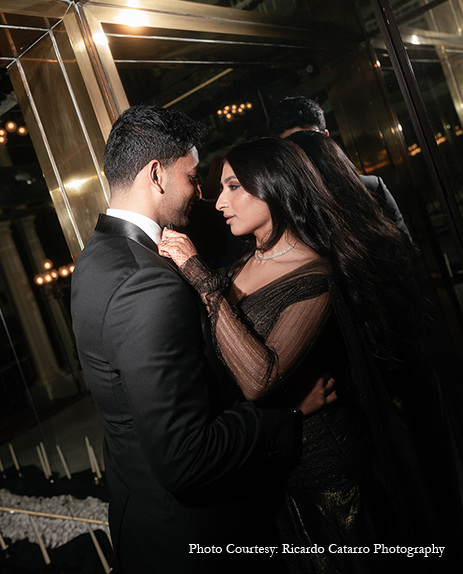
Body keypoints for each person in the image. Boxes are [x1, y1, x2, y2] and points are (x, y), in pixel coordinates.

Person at [160, 136, 462, 573]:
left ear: (273, 185)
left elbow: (259, 378)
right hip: (273, 470)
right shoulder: (244, 263)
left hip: (329, 483)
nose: (220, 201)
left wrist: (201, 278)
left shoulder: (314, 273)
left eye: (233, 187)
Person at [70, 105, 335, 574]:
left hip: (144, 520)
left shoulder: (95, 258)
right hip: (196, 538)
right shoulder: (146, 281)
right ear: (156, 175)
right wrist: (288, 414)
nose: (201, 192)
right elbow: (186, 456)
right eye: (192, 177)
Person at [270, 95, 411, 237]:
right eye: (295, 146)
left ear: (326, 137)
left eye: (312, 139)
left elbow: (405, 244)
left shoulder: (371, 187)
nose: (306, 150)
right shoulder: (283, 207)